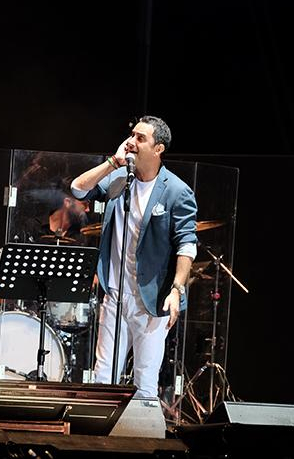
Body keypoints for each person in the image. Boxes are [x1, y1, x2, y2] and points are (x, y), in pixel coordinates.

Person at [71, 116, 197, 398]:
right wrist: (112, 163)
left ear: (158, 149)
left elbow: (187, 245)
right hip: (115, 294)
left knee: (145, 382)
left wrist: (177, 288)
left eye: (141, 138)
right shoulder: (119, 179)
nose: (131, 142)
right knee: (103, 377)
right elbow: (78, 189)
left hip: (151, 299)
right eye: (132, 135)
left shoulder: (176, 191)